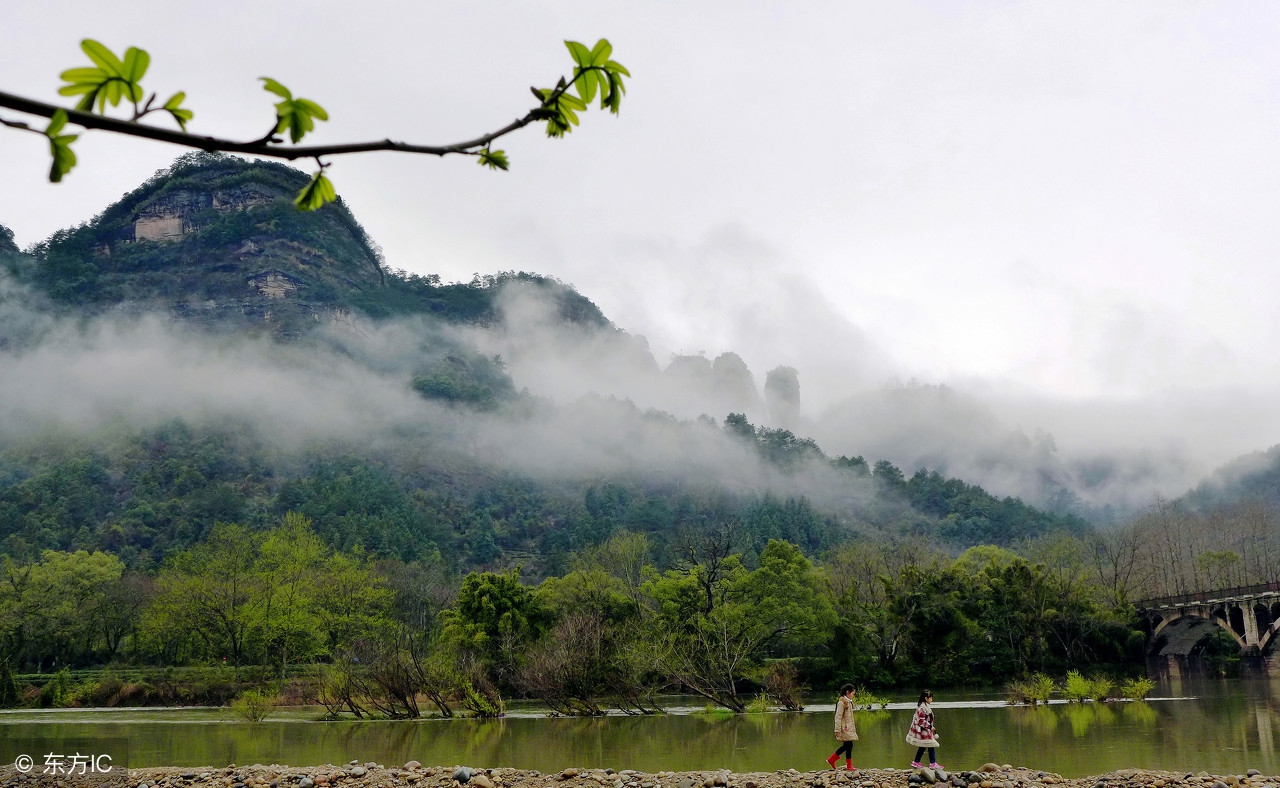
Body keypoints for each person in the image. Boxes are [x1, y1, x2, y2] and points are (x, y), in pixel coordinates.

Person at [826, 684, 859, 772]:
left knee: (848, 745)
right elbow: (838, 716)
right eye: (853, 693)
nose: (853, 695)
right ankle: (846, 764)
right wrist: (837, 730)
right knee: (849, 744)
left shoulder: (849, 702)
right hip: (844, 728)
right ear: (848, 692)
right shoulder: (842, 702)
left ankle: (834, 760)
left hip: (848, 727)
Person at [906, 689, 942, 769]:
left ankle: (916, 762)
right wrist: (930, 727)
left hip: (925, 730)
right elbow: (921, 721)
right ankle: (932, 763)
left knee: (923, 746)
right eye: (931, 698)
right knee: (930, 744)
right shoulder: (922, 709)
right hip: (923, 731)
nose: (931, 700)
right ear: (926, 698)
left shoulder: (924, 707)